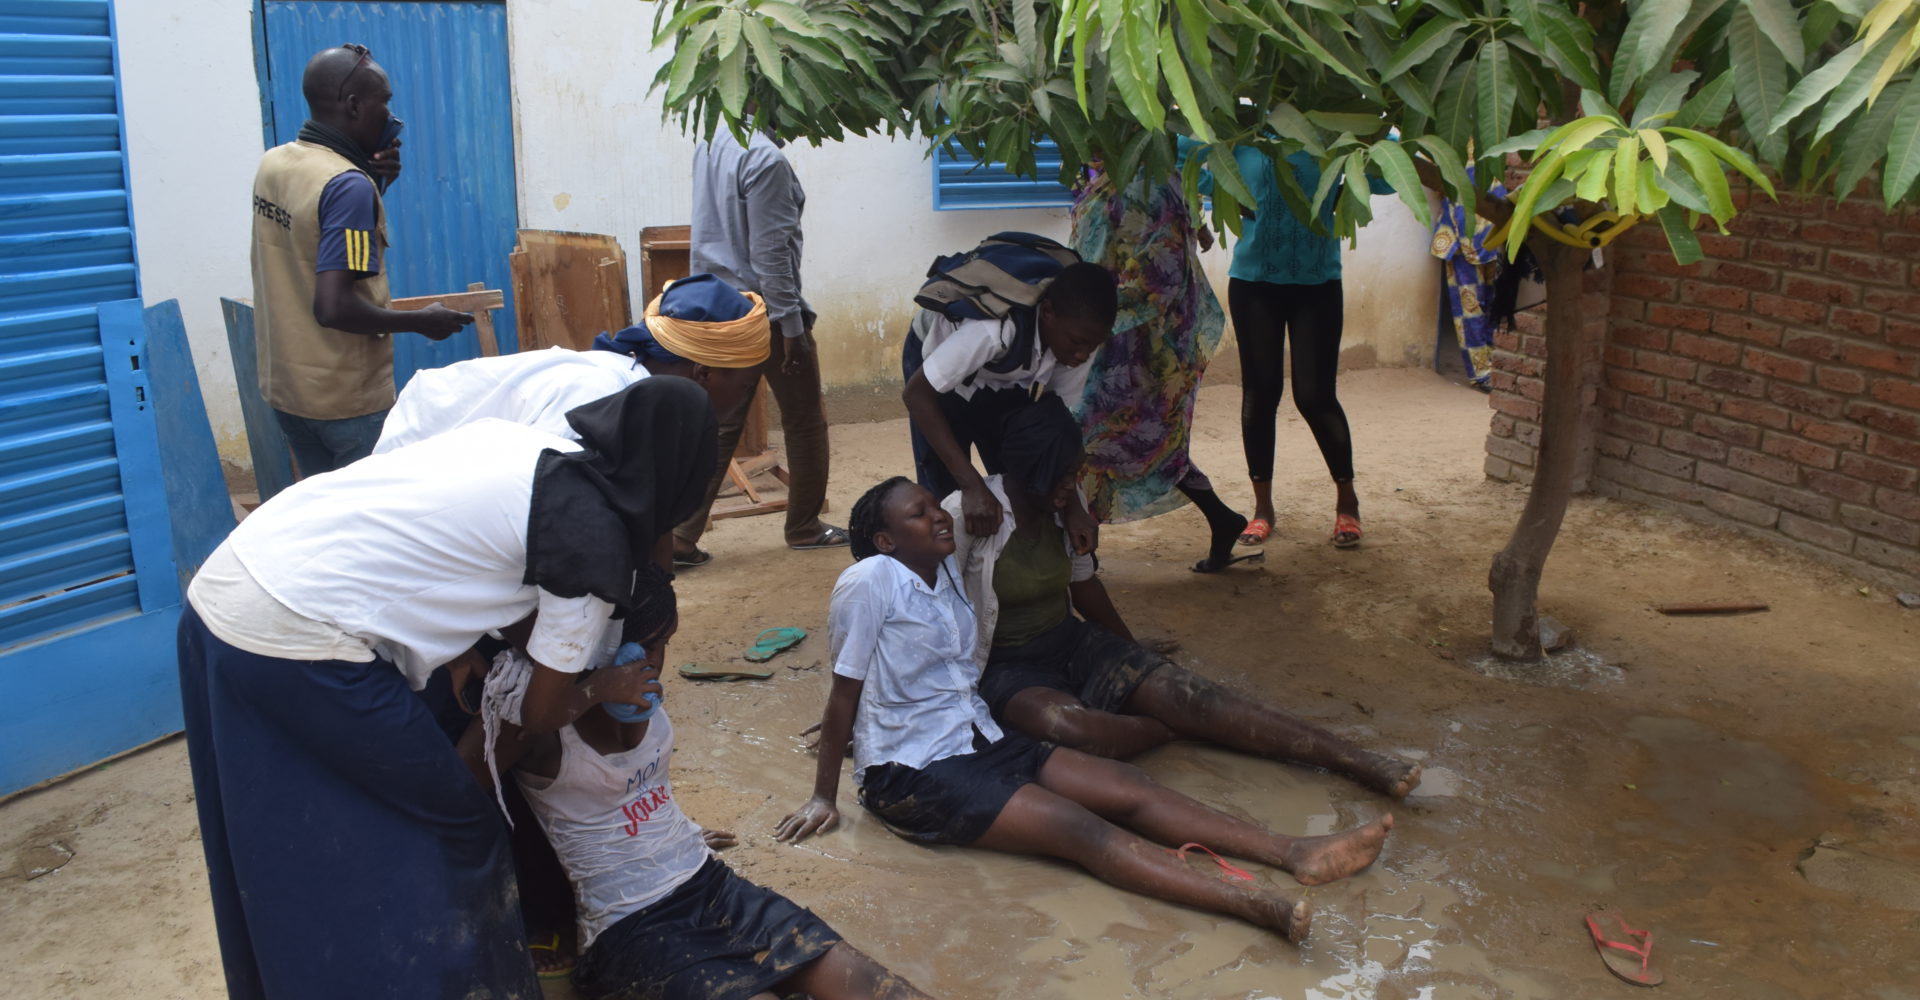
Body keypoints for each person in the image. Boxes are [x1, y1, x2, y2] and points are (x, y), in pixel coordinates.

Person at [176, 378, 716, 999]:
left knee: (287, 821)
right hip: (295, 635)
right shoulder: (592, 559)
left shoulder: (525, 447)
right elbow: (541, 713)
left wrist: (459, 642)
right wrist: (595, 685)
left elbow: (438, 540)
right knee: (455, 820)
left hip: (228, 583)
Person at [776, 477, 1398, 945]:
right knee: (1081, 830)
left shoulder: (946, 582)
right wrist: (825, 795)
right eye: (919, 513)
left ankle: (1295, 852)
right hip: (913, 774)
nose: (939, 515)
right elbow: (844, 692)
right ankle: (1256, 905)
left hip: (979, 741)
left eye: (934, 506)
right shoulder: (871, 580)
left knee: (1127, 786)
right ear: (885, 540)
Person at [950, 397, 1422, 799]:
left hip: (1069, 642)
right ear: (1031, 469)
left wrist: (1131, 655)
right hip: (1005, 666)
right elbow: (912, 595)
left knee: (1193, 693)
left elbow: (1086, 589)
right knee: (1072, 730)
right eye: (1063, 475)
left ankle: (1355, 759)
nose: (1072, 485)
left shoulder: (1064, 511)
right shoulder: (968, 514)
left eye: (1075, 473)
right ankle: (1175, 726)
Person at [459, 608, 934, 1000]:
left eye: (660, 645)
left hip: (710, 884)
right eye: (639, 649)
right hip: (631, 926)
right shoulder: (531, 709)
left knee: (878, 989)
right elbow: (450, 793)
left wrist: (669, 835)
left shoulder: (641, 681)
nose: (650, 662)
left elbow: (637, 789)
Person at [250, 43, 473, 476]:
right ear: (354, 105)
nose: (391, 115)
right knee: (364, 525)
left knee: (322, 512)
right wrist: (421, 321)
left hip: (288, 389)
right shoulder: (347, 186)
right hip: (344, 400)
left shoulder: (274, 163)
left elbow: (309, 238)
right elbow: (333, 307)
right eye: (384, 101)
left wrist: (372, 181)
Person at [1194, 144, 1394, 549]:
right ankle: (1262, 509)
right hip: (1254, 282)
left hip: (1317, 281)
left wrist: (1358, 157)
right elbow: (1187, 158)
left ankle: (1347, 500)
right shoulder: (1238, 139)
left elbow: (1387, 175)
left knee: (1315, 395)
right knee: (1260, 393)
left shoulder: (1331, 138)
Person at [1068, 166, 1254, 573]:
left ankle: (1083, 554)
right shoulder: (1106, 173)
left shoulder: (1149, 179)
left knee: (1105, 438)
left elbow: (1160, 274)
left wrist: (1093, 311)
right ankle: (1221, 519)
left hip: (1145, 346)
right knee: (1122, 440)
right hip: (1107, 334)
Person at [683, 125, 846, 563]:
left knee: (719, 425)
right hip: (765, 310)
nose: (804, 121)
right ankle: (805, 526)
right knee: (805, 420)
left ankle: (681, 536)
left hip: (719, 303)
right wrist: (791, 328)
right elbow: (771, 254)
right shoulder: (766, 160)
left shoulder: (714, 141)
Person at [372, 272, 767, 454]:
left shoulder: (627, 385)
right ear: (705, 373)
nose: (745, 403)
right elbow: (538, 511)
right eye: (746, 387)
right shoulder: (598, 401)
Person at [901, 259, 1116, 548]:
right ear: (1048, 312)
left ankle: (1015, 564)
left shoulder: (1077, 341)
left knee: (1027, 472)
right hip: (935, 366)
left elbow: (1054, 431)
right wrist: (971, 484)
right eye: (1077, 343)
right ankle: (943, 574)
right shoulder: (992, 330)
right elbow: (917, 396)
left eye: (1092, 347)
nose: (1082, 355)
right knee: (944, 484)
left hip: (1004, 376)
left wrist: (1074, 507)